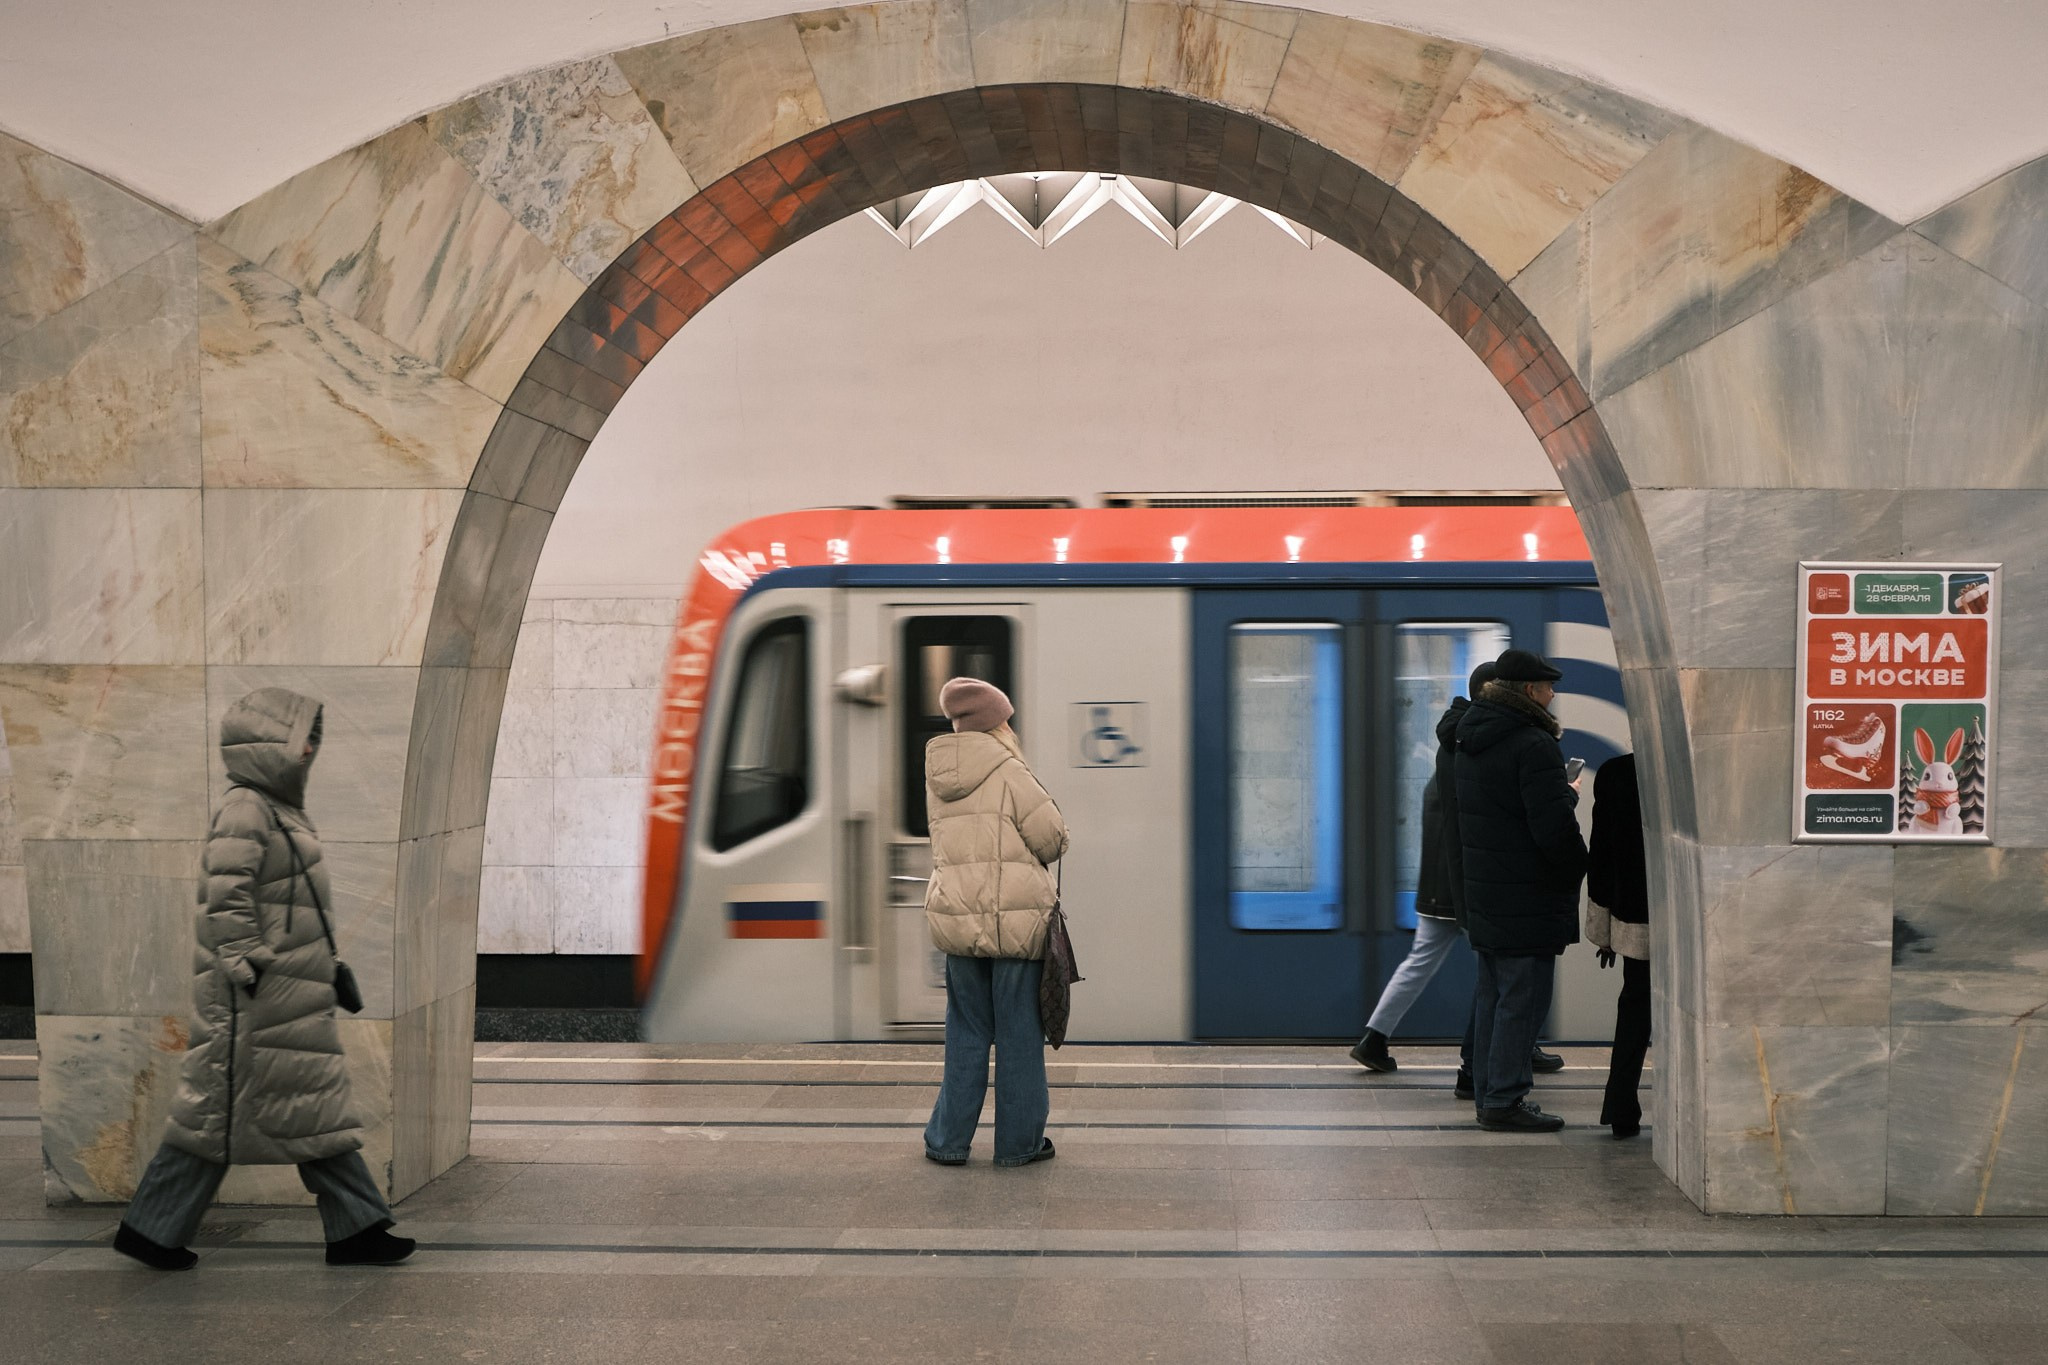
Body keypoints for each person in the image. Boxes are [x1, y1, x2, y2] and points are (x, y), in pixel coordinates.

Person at [115, 689, 414, 1271]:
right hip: (256, 1001)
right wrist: (242, 961)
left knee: (314, 1117)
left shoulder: (279, 810)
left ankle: (357, 1230)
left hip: (292, 995)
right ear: (268, 744)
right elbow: (225, 894)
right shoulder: (246, 808)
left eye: (314, 738)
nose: (311, 749)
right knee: (216, 1120)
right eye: (304, 737)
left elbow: (289, 905)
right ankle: (151, 1231)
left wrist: (328, 971)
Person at [1351, 662, 1563, 1086]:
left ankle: (1377, 1038)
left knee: (1437, 964)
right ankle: (1482, 1060)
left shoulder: (1455, 744)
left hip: (1443, 880)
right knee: (1500, 973)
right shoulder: (1473, 749)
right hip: (1464, 882)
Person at [921, 677, 1069, 1167]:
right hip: (1015, 927)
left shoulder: (937, 773)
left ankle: (947, 1141)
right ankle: (1018, 1144)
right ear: (997, 723)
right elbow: (1052, 840)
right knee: (1019, 1037)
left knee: (964, 1034)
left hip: (959, 923)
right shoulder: (1010, 770)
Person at [1455, 649, 1589, 1133]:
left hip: (1490, 890)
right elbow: (1550, 827)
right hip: (1527, 892)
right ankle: (1506, 1099)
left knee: (1494, 995)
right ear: (1529, 691)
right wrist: (1580, 865)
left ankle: (1490, 1093)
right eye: (1548, 687)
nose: (1553, 695)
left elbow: (1502, 810)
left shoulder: (1472, 737)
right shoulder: (1532, 744)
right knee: (1522, 999)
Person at [1586, 751, 1650, 1139]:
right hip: (1693, 915)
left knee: (1635, 1009)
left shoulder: (1615, 773)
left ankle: (1620, 1105)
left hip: (1637, 917)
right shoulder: (1696, 767)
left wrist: (1605, 932)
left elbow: (1601, 853)